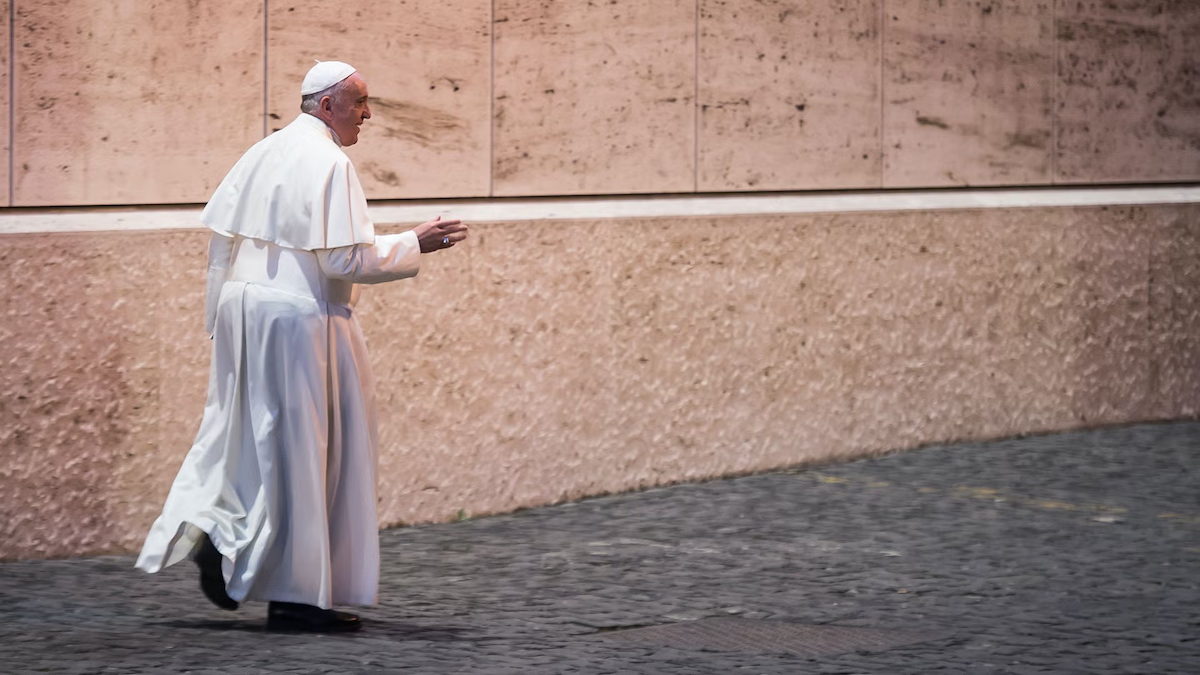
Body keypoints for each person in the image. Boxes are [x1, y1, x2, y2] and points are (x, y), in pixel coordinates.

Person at [135, 61, 468, 633]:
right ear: (327, 104)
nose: (368, 114)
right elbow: (343, 259)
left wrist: (219, 319)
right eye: (360, 102)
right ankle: (293, 596)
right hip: (298, 316)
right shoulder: (329, 161)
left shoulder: (268, 149)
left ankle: (221, 533)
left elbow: (224, 243)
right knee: (307, 451)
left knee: (243, 440)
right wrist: (415, 243)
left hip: (246, 307)